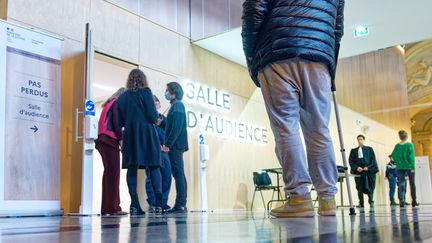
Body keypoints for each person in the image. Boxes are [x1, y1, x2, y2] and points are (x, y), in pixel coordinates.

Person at [241, 0, 345, 217]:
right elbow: (338, 27)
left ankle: (299, 198)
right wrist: (329, 63)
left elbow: (254, 9)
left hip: (279, 50)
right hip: (320, 58)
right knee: (319, 130)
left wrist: (252, 57)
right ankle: (327, 199)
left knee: (286, 128)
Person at [117, 69, 163, 215]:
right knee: (154, 166)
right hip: (147, 133)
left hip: (130, 134)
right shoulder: (146, 92)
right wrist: (156, 119)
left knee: (132, 168)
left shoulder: (122, 97)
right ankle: (159, 205)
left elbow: (120, 121)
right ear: (143, 79)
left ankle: (134, 204)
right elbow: (152, 115)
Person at [95, 88, 128, 216]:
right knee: (113, 174)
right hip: (109, 140)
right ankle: (113, 208)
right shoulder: (117, 103)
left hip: (102, 140)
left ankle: (107, 208)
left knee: (109, 174)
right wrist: (121, 140)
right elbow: (117, 123)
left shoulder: (109, 103)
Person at [162, 82, 189, 214]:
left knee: (178, 174)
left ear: (173, 92)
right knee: (179, 174)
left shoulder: (177, 105)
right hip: (177, 145)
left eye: (167, 90)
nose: (166, 93)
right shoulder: (175, 106)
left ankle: (180, 204)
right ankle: (181, 203)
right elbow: (171, 125)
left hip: (176, 146)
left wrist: (168, 144)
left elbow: (176, 128)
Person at [145, 95, 172, 212]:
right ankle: (153, 203)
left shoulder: (163, 119)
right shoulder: (146, 119)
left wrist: (166, 145)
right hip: (151, 151)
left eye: (157, 105)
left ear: (159, 105)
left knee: (167, 176)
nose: (155, 108)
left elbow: (169, 132)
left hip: (164, 151)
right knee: (152, 177)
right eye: (153, 105)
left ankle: (163, 202)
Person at [349, 135, 379, 208]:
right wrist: (356, 167)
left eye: (361, 139)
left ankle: (371, 202)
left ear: (364, 140)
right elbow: (351, 161)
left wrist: (368, 167)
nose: (360, 141)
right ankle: (361, 203)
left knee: (370, 187)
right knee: (360, 188)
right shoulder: (354, 151)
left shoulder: (369, 149)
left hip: (369, 172)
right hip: (359, 172)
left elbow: (373, 160)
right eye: (358, 139)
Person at [391, 130, 418, 207]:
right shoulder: (410, 145)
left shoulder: (397, 146)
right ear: (407, 136)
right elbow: (411, 157)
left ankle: (402, 200)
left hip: (400, 167)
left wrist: (399, 162)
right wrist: (412, 167)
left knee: (401, 183)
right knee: (412, 184)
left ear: (400, 137)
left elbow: (393, 157)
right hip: (409, 167)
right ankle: (414, 201)